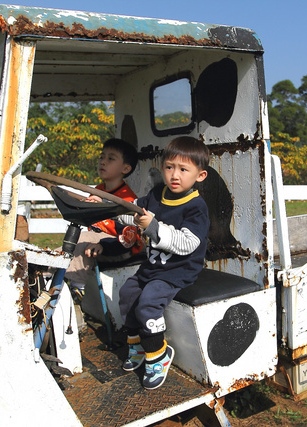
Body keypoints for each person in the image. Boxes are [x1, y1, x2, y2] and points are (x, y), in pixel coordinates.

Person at [87, 136, 210, 390]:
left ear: (200, 176)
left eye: (183, 169)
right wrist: (108, 207)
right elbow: (131, 210)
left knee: (148, 303)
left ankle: (158, 355)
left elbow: (187, 243)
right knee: (128, 294)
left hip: (178, 270)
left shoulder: (196, 207)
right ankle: (137, 347)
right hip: (153, 266)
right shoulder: (156, 194)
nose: (174, 175)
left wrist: (153, 227)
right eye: (169, 167)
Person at [64, 138, 139, 294]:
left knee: (82, 244)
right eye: (101, 157)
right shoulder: (98, 190)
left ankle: (78, 291)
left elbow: (129, 239)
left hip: (119, 247)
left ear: (125, 168)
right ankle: (51, 276)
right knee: (68, 244)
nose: (103, 162)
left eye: (110, 159)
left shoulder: (128, 200)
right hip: (96, 239)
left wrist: (104, 246)